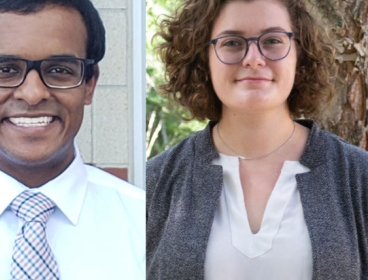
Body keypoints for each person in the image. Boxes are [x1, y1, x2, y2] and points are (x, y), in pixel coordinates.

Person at [0, 0, 145, 279]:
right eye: (5, 69)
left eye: (59, 70)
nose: (33, 93)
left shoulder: (147, 225)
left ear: (89, 84)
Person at [147, 0, 368, 279]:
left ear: (300, 54)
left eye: (273, 40)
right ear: (202, 58)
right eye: (232, 43)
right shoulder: (153, 184)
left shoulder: (359, 177)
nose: (253, 58)